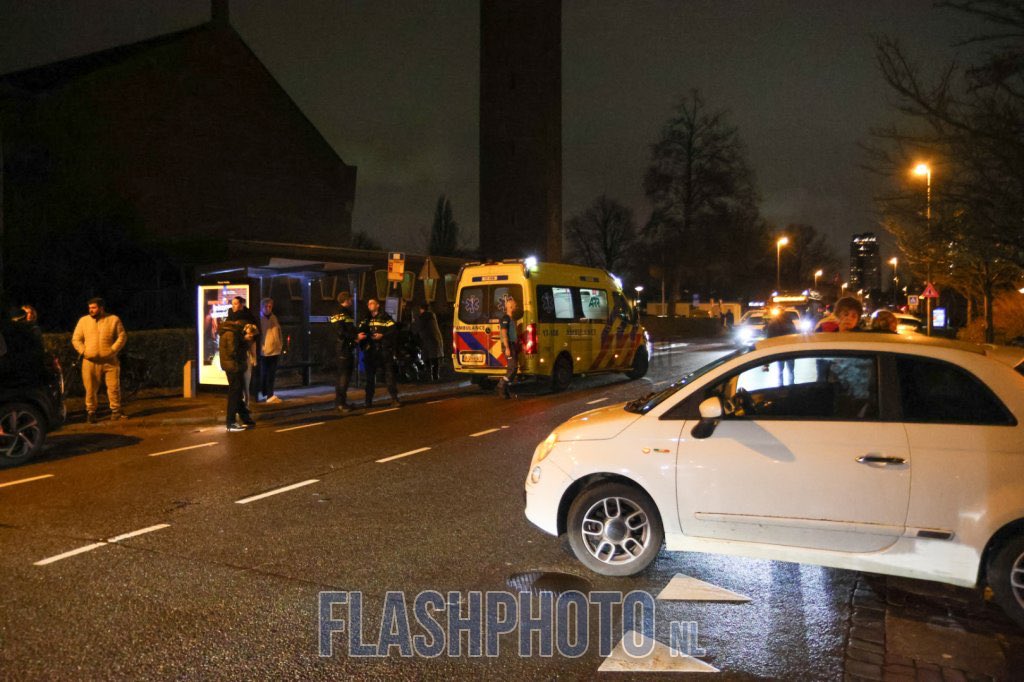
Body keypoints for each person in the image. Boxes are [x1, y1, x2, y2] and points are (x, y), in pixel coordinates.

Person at [71, 297, 128, 423]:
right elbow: (76, 339)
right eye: (90, 308)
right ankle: (91, 412)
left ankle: (116, 410)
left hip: (110, 360)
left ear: (101, 308)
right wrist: (84, 351)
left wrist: (113, 350)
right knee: (90, 389)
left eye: (94, 307)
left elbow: (122, 336)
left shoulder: (113, 319)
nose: (91, 310)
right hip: (90, 361)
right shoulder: (83, 321)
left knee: (113, 387)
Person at [360, 297, 400, 408]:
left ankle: (395, 399)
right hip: (370, 351)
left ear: (378, 305)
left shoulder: (385, 317)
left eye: (372, 303)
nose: (369, 305)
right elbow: (360, 332)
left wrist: (383, 336)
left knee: (389, 376)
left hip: (383, 351)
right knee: (370, 378)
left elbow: (393, 331)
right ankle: (368, 401)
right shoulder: (366, 319)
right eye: (368, 303)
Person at [218, 315, 255, 432]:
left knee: (237, 393)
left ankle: (245, 418)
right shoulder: (232, 334)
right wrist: (245, 342)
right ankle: (231, 422)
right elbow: (233, 352)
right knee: (235, 393)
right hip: (232, 366)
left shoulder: (233, 333)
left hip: (233, 366)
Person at [227, 297, 259, 405]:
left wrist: (253, 356)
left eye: (236, 303)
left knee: (245, 380)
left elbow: (253, 338)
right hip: (234, 354)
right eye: (232, 304)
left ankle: (246, 402)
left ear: (241, 305)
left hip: (244, 354)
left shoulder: (248, 319)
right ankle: (240, 404)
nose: (233, 306)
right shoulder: (230, 318)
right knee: (236, 382)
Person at [330, 291, 359, 413]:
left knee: (344, 376)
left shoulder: (342, 311)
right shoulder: (340, 312)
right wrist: (355, 337)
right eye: (350, 300)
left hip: (345, 347)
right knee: (343, 377)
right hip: (343, 348)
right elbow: (341, 331)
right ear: (346, 300)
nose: (352, 302)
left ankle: (342, 402)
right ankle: (340, 403)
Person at [258, 297, 284, 403]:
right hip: (264, 352)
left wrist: (280, 345)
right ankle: (266, 393)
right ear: (262, 307)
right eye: (266, 306)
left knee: (271, 374)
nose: (268, 308)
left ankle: (269, 394)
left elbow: (279, 333)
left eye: (270, 306)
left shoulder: (274, 318)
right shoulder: (260, 318)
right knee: (265, 373)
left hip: (275, 350)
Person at [414, 303, 444, 382]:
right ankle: (435, 376)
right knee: (434, 359)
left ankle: (430, 377)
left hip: (427, 340)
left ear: (422, 309)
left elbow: (417, 328)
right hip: (434, 340)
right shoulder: (432, 316)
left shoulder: (423, 317)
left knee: (427, 359)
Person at [496, 297, 520, 399]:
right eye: (515, 305)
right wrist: (507, 348)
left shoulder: (511, 319)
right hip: (508, 345)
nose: (516, 307)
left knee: (514, 369)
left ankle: (505, 390)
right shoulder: (505, 319)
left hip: (512, 345)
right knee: (512, 368)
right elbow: (504, 333)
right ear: (510, 307)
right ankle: (501, 385)